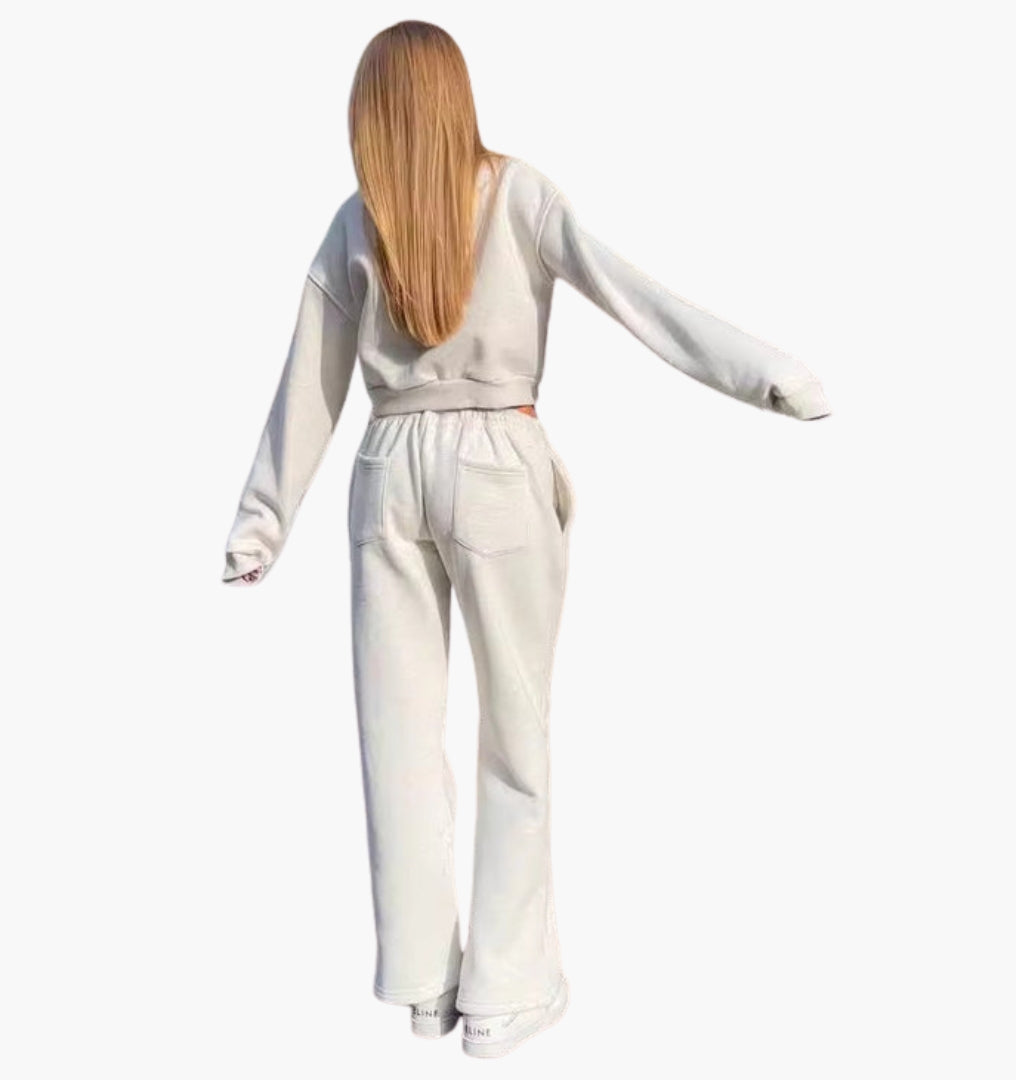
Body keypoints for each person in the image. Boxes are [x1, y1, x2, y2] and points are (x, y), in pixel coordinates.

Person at [220, 19, 832, 1058]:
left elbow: (311, 380)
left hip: (387, 467)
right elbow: (635, 297)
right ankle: (506, 991)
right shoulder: (516, 193)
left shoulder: (357, 219)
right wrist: (769, 375)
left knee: (397, 739)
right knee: (516, 732)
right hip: (498, 462)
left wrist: (260, 523)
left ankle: (425, 982)